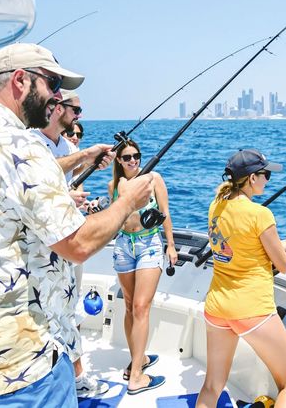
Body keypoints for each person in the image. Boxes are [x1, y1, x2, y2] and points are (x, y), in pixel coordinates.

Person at [0, 43, 156, 407]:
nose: (57, 98)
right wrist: (127, 202)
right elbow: (77, 245)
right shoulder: (22, 147)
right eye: (51, 85)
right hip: (21, 367)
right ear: (20, 81)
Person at [196, 149, 286, 408]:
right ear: (252, 178)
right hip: (252, 309)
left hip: (217, 307)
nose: (267, 180)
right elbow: (284, 265)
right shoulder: (259, 214)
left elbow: (253, 245)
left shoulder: (217, 205)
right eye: (265, 175)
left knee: (212, 385)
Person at [33, 88, 110, 397]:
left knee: (69, 312)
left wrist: (91, 162)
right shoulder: (31, 143)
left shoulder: (63, 144)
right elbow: (40, 186)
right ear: (56, 107)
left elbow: (69, 172)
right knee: (47, 319)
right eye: (75, 110)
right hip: (40, 254)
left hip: (66, 247)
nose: (79, 116)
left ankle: (74, 380)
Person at [108, 139, 177, 395]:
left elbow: (165, 212)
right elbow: (115, 218)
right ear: (119, 160)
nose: (133, 161)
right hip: (124, 246)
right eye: (127, 157)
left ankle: (135, 375)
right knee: (128, 305)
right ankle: (140, 359)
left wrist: (170, 245)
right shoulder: (114, 185)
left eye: (136, 156)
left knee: (140, 307)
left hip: (149, 245)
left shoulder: (153, 179)